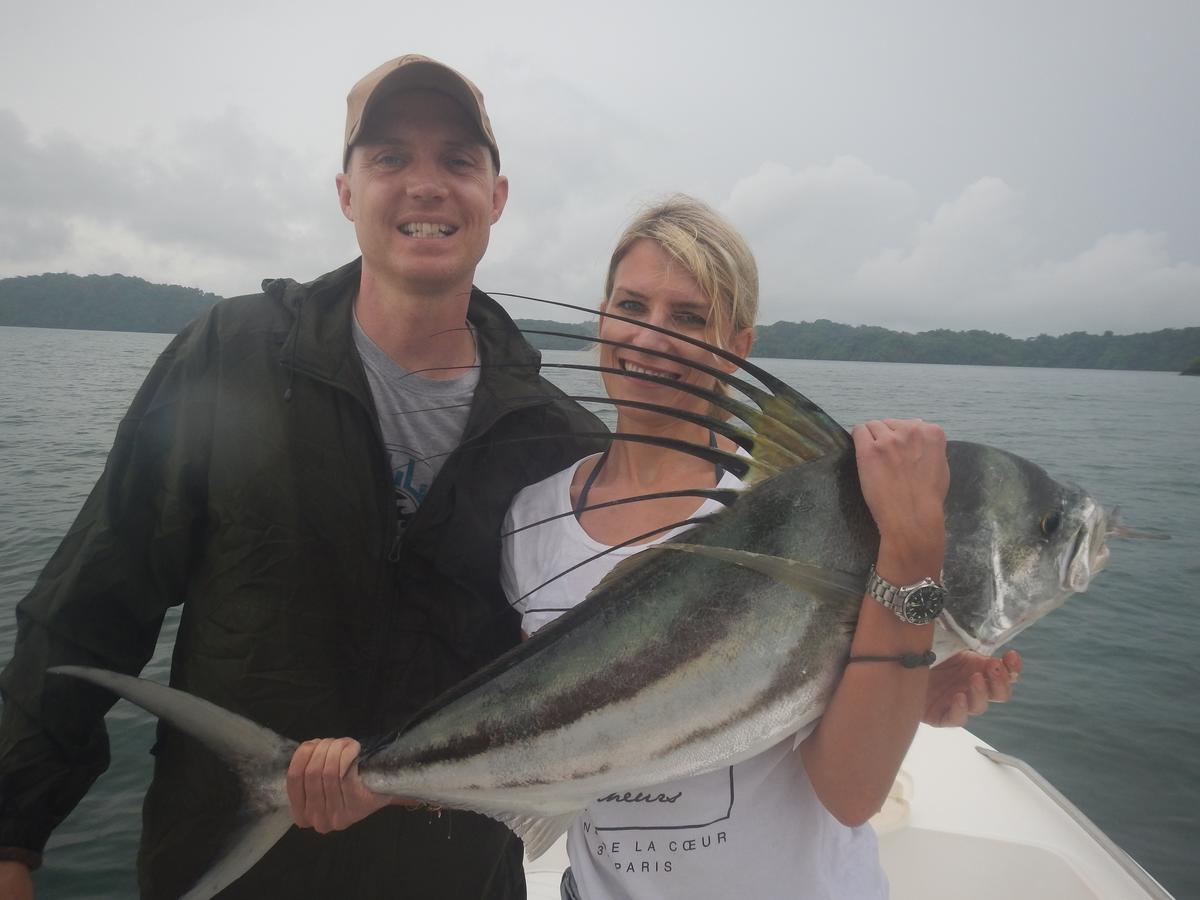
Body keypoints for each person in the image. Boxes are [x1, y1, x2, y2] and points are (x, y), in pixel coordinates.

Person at [288, 196, 1021, 898]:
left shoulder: (817, 520)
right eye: (632, 307)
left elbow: (852, 788)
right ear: (604, 316)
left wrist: (913, 568)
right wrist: (374, 785)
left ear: (737, 348)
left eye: (690, 318)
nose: (650, 338)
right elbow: (535, 732)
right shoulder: (532, 518)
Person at [0, 55, 602, 899]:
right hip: (225, 869)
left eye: (458, 160)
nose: (425, 185)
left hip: (455, 876)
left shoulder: (560, 440)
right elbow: (92, 600)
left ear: (496, 197)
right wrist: (13, 835)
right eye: (389, 157)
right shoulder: (233, 356)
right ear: (346, 192)